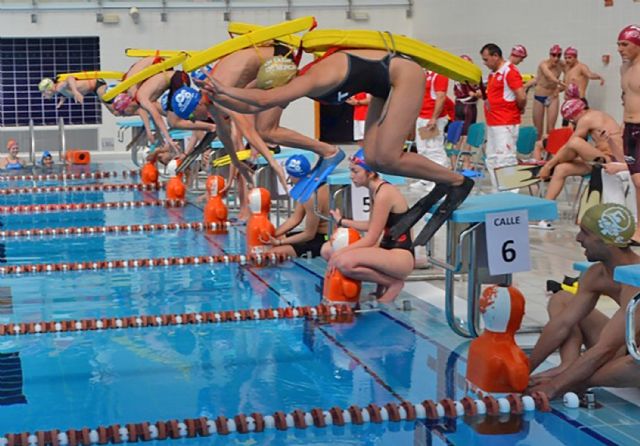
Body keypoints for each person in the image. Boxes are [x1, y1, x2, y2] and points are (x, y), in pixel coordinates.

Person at [201, 46, 473, 241]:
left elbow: (262, 101)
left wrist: (222, 89)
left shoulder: (308, 79)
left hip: (403, 75)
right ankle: (444, 180)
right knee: (374, 158)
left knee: (388, 157)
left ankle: (457, 181)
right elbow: (250, 102)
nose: (277, 97)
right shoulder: (292, 82)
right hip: (382, 83)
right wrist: (218, 99)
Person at [528, 203, 640, 399]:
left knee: (635, 363)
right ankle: (568, 366)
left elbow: (606, 348)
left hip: (633, 359)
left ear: (608, 241)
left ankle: (580, 380)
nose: (578, 238)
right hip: (623, 349)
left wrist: (555, 386)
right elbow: (562, 324)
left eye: (585, 233)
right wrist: (525, 369)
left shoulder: (636, 282)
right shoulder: (596, 274)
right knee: (561, 299)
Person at [321, 149, 415, 303]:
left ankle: (393, 283)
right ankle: (381, 286)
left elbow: (371, 238)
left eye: (355, 171)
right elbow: (371, 225)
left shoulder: (384, 193)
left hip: (400, 256)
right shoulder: (375, 190)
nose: (351, 176)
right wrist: (342, 221)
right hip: (387, 249)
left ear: (370, 173)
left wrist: (339, 254)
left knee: (343, 261)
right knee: (327, 250)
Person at [535, 100, 626, 228]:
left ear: (577, 114)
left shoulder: (588, 118)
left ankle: (548, 167)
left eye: (572, 120)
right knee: (562, 169)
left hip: (613, 160)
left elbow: (571, 144)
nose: (574, 123)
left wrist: (549, 165)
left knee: (575, 142)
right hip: (599, 159)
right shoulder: (592, 116)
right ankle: (544, 213)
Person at [480, 43, 527, 192]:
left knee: (505, 159)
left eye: (486, 59)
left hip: (505, 122)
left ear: (496, 56)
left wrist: (518, 109)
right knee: (492, 158)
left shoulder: (510, 71)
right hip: (493, 122)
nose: (485, 63)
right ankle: (498, 190)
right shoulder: (493, 74)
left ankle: (510, 194)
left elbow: (521, 96)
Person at [265, 155, 329, 258]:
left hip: (325, 239)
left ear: (293, 176)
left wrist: (280, 242)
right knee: (269, 244)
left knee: (272, 254)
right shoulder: (308, 185)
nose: (289, 178)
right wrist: (272, 235)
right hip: (315, 235)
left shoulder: (311, 196)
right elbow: (295, 218)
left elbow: (309, 234)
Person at [412, 70, 455, 192]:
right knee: (423, 150)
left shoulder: (440, 74)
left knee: (434, 150)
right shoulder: (426, 74)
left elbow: (441, 97)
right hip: (422, 117)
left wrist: (434, 118)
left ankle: (441, 183)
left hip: (432, 119)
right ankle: (426, 179)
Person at [619, 24, 640, 243]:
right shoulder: (623, 68)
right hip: (629, 128)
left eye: (625, 44)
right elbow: (626, 98)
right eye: (618, 44)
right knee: (636, 182)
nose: (620, 49)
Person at [532, 45, 566, 140]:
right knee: (538, 130)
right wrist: (559, 82)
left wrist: (560, 88)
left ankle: (549, 153)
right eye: (554, 55)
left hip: (552, 97)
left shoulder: (562, 64)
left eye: (559, 55)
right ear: (550, 55)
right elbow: (548, 75)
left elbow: (570, 74)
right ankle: (538, 150)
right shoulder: (543, 64)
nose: (556, 58)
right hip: (539, 96)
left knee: (551, 129)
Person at [453, 55, 480, 169]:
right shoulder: (469, 76)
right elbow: (473, 93)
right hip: (468, 107)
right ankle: (466, 162)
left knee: (457, 135)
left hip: (458, 105)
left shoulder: (455, 75)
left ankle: (454, 162)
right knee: (467, 136)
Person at [38, 76, 107, 108]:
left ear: (49, 88)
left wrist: (75, 92)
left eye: (43, 92)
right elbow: (64, 94)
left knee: (110, 106)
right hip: (93, 89)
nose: (43, 95)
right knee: (115, 112)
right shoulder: (59, 90)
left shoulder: (59, 86)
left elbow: (70, 78)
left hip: (97, 84)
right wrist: (61, 102)